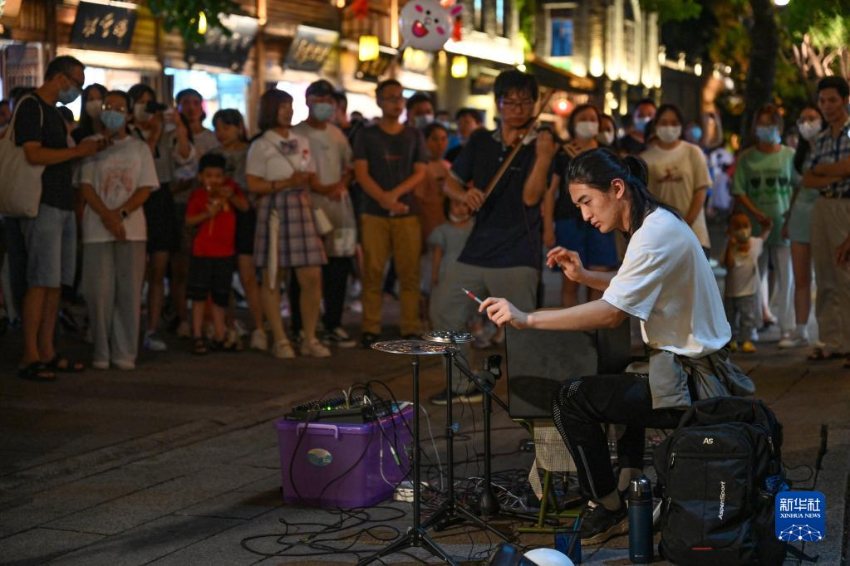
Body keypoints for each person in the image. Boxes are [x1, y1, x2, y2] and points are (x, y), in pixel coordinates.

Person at [479, 148, 753, 544]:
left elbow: (611, 313)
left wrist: (527, 318)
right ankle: (626, 486)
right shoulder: (655, 225)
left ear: (617, 188)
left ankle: (606, 506)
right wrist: (584, 274)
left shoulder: (654, 234)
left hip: (697, 383)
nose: (585, 215)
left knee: (570, 398)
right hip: (685, 368)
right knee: (621, 379)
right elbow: (628, 290)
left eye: (587, 201)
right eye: (578, 206)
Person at [429, 69, 557, 404]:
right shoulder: (481, 141)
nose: (517, 108)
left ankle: (531, 396)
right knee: (444, 311)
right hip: (477, 249)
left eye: (525, 102)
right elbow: (450, 182)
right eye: (509, 101)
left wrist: (543, 157)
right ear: (498, 104)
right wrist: (462, 196)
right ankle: (461, 385)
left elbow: (531, 198)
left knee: (521, 330)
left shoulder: (539, 144)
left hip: (517, 253)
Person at [12, 56, 105, 381]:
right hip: (42, 203)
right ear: (58, 77)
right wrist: (77, 152)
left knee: (55, 283)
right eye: (75, 81)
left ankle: (47, 349)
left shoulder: (53, 112)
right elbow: (33, 153)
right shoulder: (30, 105)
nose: (77, 89)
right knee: (40, 280)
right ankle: (30, 354)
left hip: (62, 203)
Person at [246, 88, 330, 359]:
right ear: (270, 110)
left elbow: (311, 175)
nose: (289, 110)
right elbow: (252, 183)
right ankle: (280, 339)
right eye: (283, 106)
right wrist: (285, 183)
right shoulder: (261, 144)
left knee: (312, 276)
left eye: (290, 105)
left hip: (302, 205)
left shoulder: (301, 140)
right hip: (275, 209)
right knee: (273, 275)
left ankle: (309, 336)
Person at [78, 90, 157, 370]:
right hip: (96, 228)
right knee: (98, 293)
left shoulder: (138, 148)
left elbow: (145, 187)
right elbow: (86, 186)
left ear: (129, 113)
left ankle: (125, 353)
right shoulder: (89, 145)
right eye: (108, 106)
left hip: (132, 229)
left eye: (119, 107)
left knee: (128, 292)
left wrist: (120, 214)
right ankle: (100, 351)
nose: (113, 111)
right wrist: (107, 217)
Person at [353, 79, 428, 347]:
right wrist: (384, 199)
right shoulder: (367, 134)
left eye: (400, 98)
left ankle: (410, 325)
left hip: (406, 212)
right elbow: (360, 172)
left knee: (409, 272)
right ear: (379, 101)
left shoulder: (414, 135)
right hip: (374, 212)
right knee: (373, 271)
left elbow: (420, 171)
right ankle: (370, 325)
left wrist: (393, 197)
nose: (396, 103)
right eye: (390, 98)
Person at [127, 83, 193, 352]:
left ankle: (152, 329)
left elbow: (185, 157)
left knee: (158, 268)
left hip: (162, 198)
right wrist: (152, 135)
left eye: (151, 103)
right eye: (141, 103)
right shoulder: (127, 132)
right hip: (135, 198)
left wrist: (178, 124)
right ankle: (130, 327)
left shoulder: (167, 132)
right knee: (135, 270)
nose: (148, 109)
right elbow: (139, 164)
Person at [291, 79, 357, 348]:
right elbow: (298, 172)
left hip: (338, 209)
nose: (324, 107)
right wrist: (321, 187)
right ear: (307, 101)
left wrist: (339, 185)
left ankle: (333, 323)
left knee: (338, 267)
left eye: (328, 102)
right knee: (305, 269)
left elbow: (349, 166)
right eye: (319, 101)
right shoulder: (296, 133)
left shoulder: (337, 134)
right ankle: (301, 325)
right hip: (307, 209)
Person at [543, 104, 618, 307]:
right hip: (569, 221)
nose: (588, 123)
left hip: (602, 222)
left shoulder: (606, 154)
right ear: (573, 124)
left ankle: (594, 329)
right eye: (582, 119)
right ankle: (574, 332)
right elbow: (550, 192)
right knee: (571, 279)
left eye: (593, 119)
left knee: (599, 280)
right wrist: (548, 227)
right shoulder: (563, 153)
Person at [732, 104, 795, 338]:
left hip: (783, 224)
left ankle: (787, 327)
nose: (766, 129)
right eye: (762, 124)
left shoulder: (789, 155)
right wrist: (756, 213)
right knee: (755, 274)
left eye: (770, 124)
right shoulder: (747, 158)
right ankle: (756, 320)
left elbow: (796, 188)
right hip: (754, 226)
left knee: (786, 276)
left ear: (779, 126)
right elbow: (739, 190)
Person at [801, 76, 850, 366]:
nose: (827, 106)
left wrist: (825, 171)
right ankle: (832, 341)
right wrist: (840, 171)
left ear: (845, 100)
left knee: (846, 274)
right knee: (826, 275)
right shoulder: (820, 138)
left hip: (846, 205)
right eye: (823, 101)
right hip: (823, 206)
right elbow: (808, 178)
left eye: (833, 99)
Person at [185, 153, 249, 354]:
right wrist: (207, 214)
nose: (214, 180)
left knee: (221, 295)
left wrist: (230, 195)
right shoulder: (198, 196)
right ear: (201, 177)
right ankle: (197, 334)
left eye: (218, 176)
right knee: (199, 295)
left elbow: (245, 206)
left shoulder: (230, 192)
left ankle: (220, 334)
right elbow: (189, 221)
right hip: (203, 252)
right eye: (209, 175)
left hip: (224, 252)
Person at [171, 88, 220, 338]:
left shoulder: (211, 139)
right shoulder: (172, 137)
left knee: (206, 266)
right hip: (180, 204)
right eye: (185, 103)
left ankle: (208, 318)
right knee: (181, 266)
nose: (190, 107)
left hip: (205, 207)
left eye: (195, 102)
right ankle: (182, 318)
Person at [778, 105, 825, 349]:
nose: (807, 123)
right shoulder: (801, 153)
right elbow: (797, 188)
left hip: (825, 213)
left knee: (827, 277)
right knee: (801, 277)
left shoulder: (833, 147)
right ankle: (800, 329)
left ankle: (828, 330)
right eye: (803, 118)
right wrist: (787, 221)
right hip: (800, 215)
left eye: (812, 118)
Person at [640, 103, 712, 257]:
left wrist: (684, 224)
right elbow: (645, 199)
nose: (669, 127)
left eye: (674, 123)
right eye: (664, 123)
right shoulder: (645, 159)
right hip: (661, 238)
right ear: (656, 125)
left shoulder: (693, 152)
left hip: (694, 235)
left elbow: (701, 191)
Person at [724, 212, 772, 353]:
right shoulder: (730, 247)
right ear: (730, 230)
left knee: (747, 318)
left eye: (746, 225)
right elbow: (728, 264)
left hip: (748, 291)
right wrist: (730, 247)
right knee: (730, 318)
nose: (742, 230)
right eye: (738, 226)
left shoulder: (754, 244)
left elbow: (764, 236)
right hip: (731, 292)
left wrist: (767, 227)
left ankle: (746, 340)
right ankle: (732, 340)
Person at [428, 198, 474, 327]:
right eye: (457, 205)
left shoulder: (475, 228)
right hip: (448, 271)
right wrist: (434, 275)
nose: (461, 208)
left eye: (464, 204)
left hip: (471, 269)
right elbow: (437, 254)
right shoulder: (442, 230)